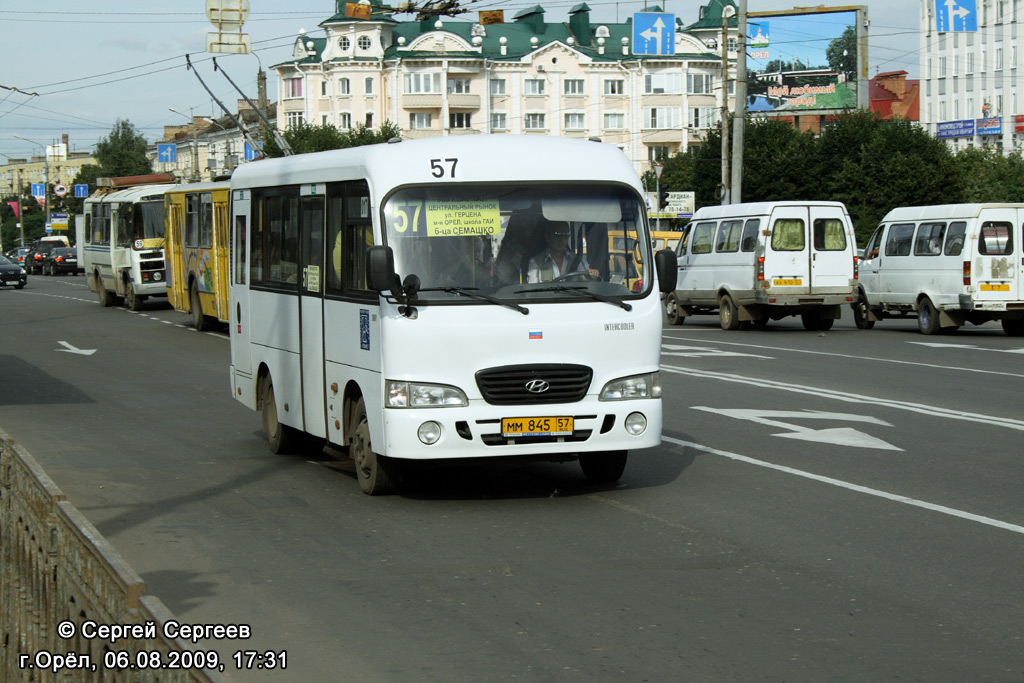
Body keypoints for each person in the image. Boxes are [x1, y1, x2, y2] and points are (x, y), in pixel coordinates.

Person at [526, 222, 598, 283]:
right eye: (557, 235)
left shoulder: (577, 260)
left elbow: (586, 277)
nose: (562, 239)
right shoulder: (536, 262)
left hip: (575, 298)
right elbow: (532, 292)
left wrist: (591, 275)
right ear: (547, 237)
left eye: (566, 235)